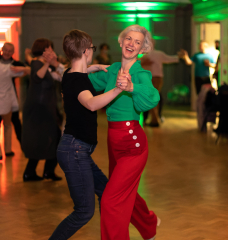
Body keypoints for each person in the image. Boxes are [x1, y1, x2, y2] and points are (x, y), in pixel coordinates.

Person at [48, 29, 130, 240]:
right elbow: (91, 104)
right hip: (74, 150)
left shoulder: (69, 74)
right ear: (86, 50)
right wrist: (118, 89)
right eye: (91, 48)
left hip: (75, 149)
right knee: (83, 212)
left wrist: (98, 66)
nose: (92, 51)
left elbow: (82, 69)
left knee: (106, 193)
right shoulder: (78, 82)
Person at [88, 24, 161, 240]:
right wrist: (85, 68)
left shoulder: (141, 73)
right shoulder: (111, 69)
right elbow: (84, 83)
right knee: (124, 191)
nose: (131, 44)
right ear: (121, 42)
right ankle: (149, 224)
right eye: (128, 39)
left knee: (111, 200)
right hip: (114, 142)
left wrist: (132, 88)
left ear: (142, 49)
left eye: (137, 42)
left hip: (133, 144)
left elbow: (153, 97)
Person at [16, 38, 62, 181]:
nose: (51, 51)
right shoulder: (37, 63)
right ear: (43, 50)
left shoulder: (44, 65)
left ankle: (41, 171)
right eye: (49, 49)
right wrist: (48, 63)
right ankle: (34, 172)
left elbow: (57, 77)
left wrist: (56, 67)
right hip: (39, 109)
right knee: (45, 138)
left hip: (44, 107)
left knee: (49, 138)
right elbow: (37, 77)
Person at [0, 42, 31, 144]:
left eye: (9, 51)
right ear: (2, 49)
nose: (7, 52)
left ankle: (23, 145)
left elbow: (29, 69)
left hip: (11, 97)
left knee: (16, 121)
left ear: (13, 53)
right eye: (6, 50)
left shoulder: (16, 64)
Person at [140, 39, 180, 127]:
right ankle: (155, 120)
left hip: (154, 79)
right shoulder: (145, 55)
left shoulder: (155, 54)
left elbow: (170, 59)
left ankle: (155, 120)